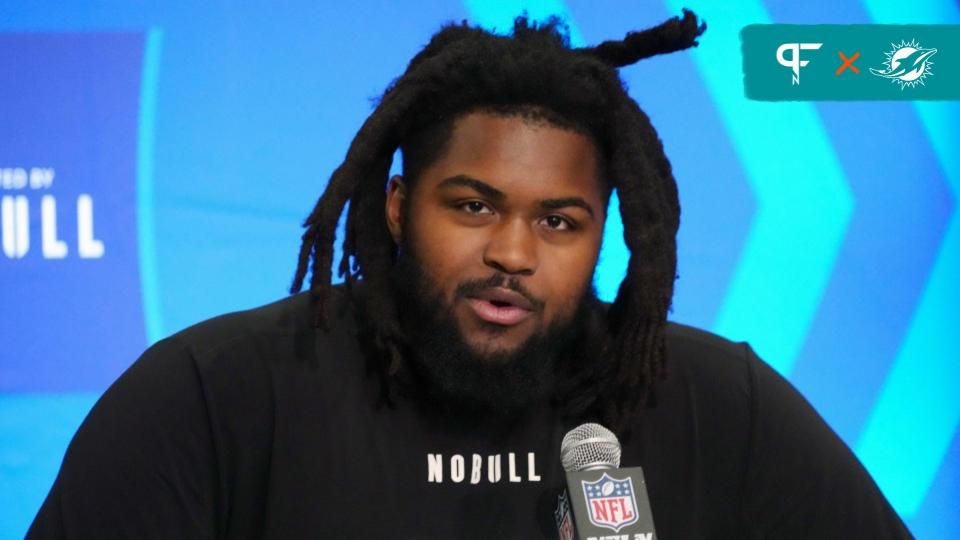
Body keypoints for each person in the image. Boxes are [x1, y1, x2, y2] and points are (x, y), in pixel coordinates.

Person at [29, 11, 911, 539]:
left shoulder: (715, 406)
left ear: (603, 233)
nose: (514, 256)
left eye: (559, 223)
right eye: (474, 207)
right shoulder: (213, 398)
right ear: (397, 206)